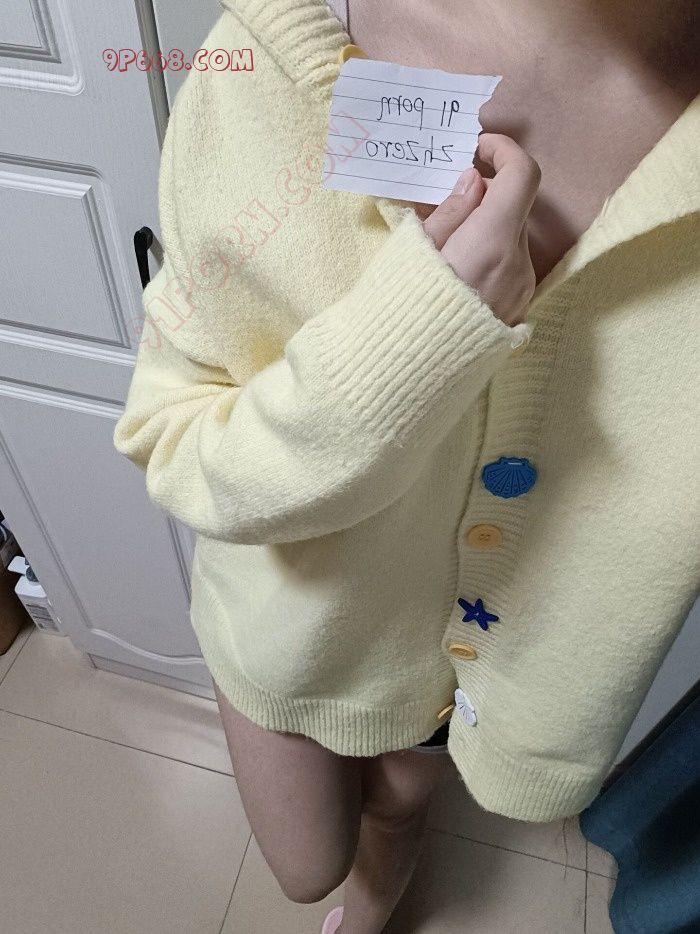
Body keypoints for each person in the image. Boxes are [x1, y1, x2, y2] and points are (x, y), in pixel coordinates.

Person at [113, 1, 700, 931]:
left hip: (469, 680)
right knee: (305, 866)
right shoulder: (268, 58)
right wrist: (414, 338)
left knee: (399, 807)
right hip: (290, 620)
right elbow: (173, 440)